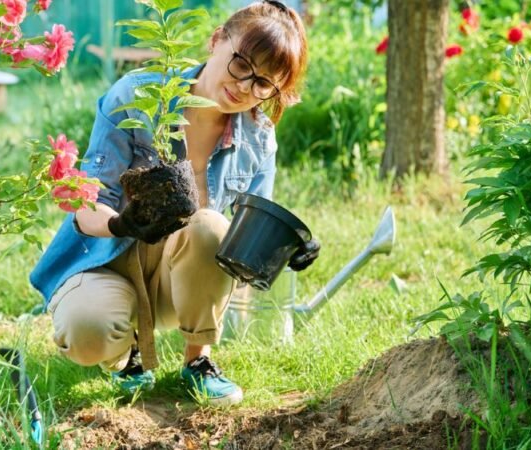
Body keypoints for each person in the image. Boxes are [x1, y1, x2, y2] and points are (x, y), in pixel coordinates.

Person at [30, 0, 319, 406]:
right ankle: (123, 355)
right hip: (104, 260)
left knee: (210, 226)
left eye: (263, 83)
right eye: (241, 64)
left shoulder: (258, 137)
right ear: (217, 40)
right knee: (87, 331)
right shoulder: (138, 96)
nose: (245, 87)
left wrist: (286, 246)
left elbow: (243, 235)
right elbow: (86, 201)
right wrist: (123, 224)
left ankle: (198, 361)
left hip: (178, 282)